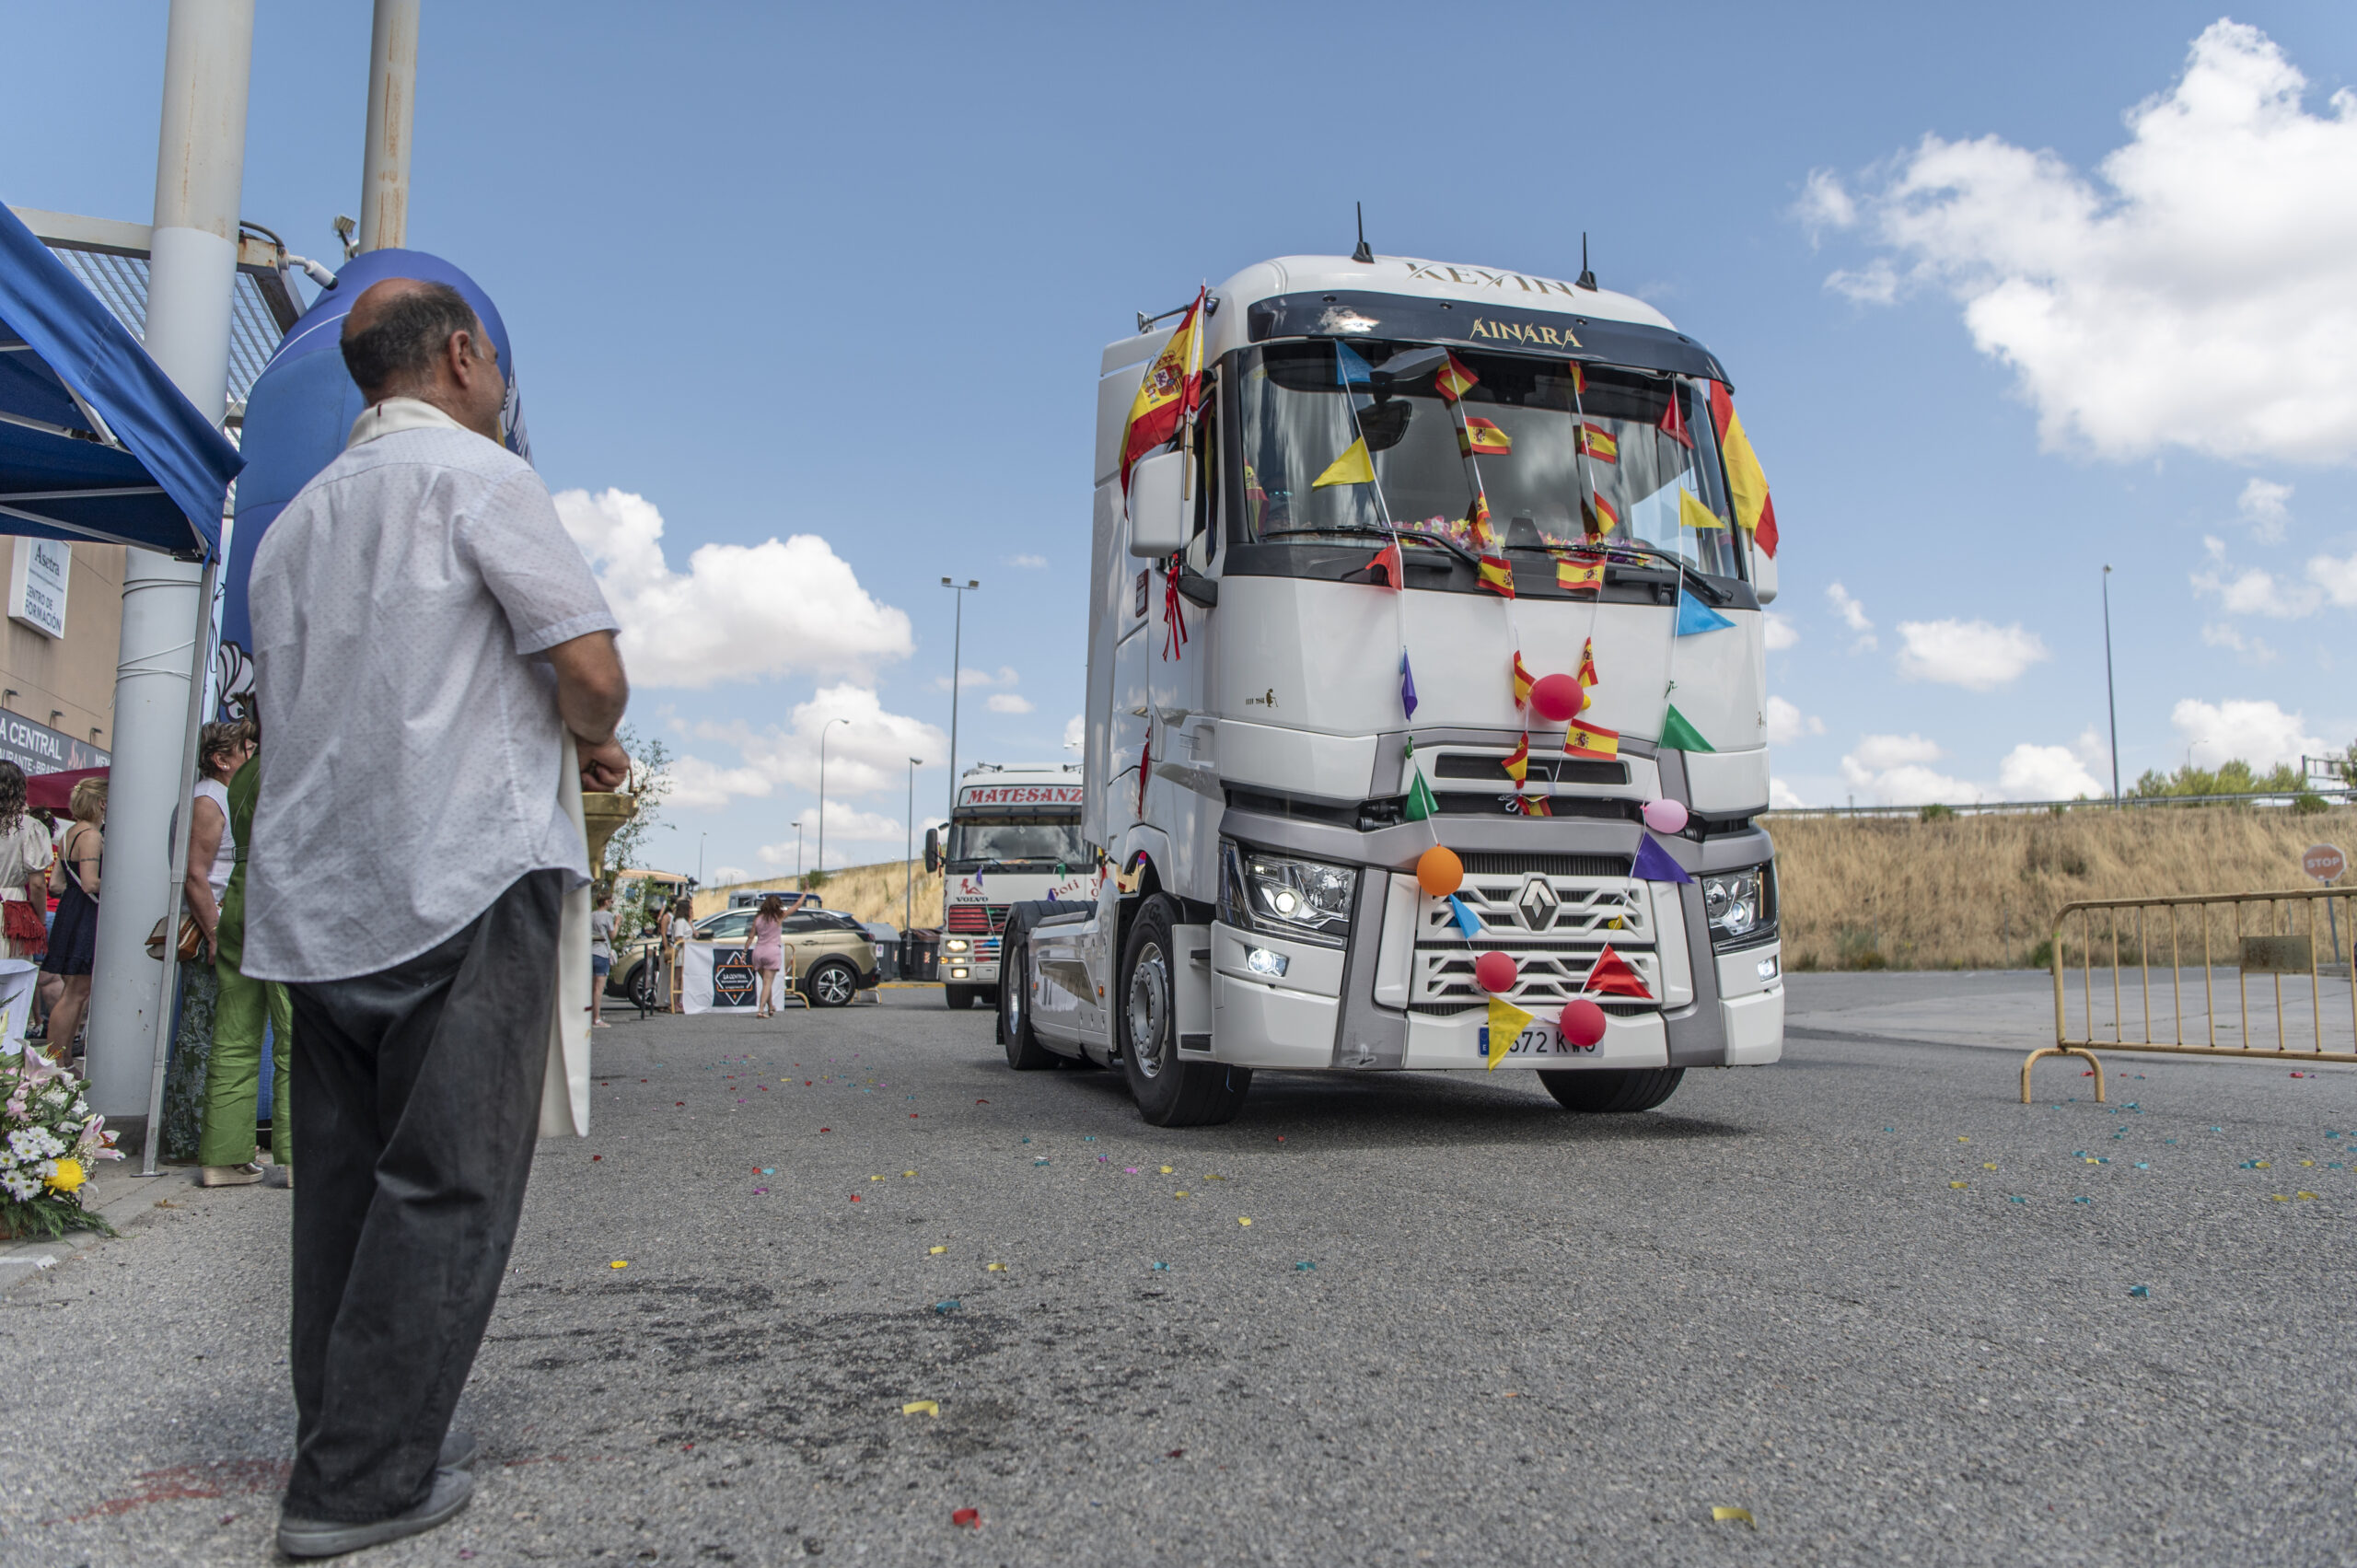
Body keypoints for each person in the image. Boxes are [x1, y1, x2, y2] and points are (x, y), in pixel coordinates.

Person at [244, 278, 628, 1559]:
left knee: (345, 1194)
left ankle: (356, 1433)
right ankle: (361, 1482)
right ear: (464, 357)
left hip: (319, 892)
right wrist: (595, 739)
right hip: (459, 872)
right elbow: (588, 666)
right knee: (449, 1181)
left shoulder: (291, 528)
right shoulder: (480, 476)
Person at [199, 709, 294, 1190]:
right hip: (283, 895)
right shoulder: (291, 764)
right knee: (296, 1032)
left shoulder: (240, 777)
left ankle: (224, 1157)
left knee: (234, 1031)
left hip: (239, 894)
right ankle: (299, 1155)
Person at [168, 719, 258, 1173]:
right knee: (204, 1033)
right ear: (222, 759)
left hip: (227, 920)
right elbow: (195, 874)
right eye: (246, 747)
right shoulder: (210, 798)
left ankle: (208, 1135)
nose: (253, 752)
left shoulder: (224, 795)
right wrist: (216, 932)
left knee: (217, 1030)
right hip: (215, 925)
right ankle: (190, 1135)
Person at [39, 777, 104, 1064]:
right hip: (84, 914)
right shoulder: (91, 835)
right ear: (101, 802)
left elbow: (55, 883)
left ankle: (59, 1060)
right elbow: (91, 883)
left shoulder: (69, 834)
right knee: (76, 993)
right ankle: (55, 1061)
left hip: (70, 910)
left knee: (74, 991)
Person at [0, 763, 53, 1057]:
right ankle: (6, 1061)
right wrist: (39, 917)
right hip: (13, 911)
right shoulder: (30, 828)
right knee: (13, 989)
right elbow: (37, 884)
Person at [750, 893, 786, 1016]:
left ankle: (770, 1006)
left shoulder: (758, 918)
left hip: (758, 952)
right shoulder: (779, 917)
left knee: (766, 981)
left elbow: (751, 936)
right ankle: (761, 1009)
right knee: (767, 982)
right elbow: (796, 906)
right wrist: (805, 892)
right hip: (772, 951)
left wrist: (745, 951)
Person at [587, 889, 615, 1028]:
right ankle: (596, 1018)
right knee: (599, 988)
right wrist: (618, 923)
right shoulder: (607, 916)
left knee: (592, 988)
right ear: (606, 902)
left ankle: (591, 1016)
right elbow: (613, 935)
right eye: (611, 901)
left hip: (590, 951)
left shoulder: (592, 915)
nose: (612, 903)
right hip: (602, 952)